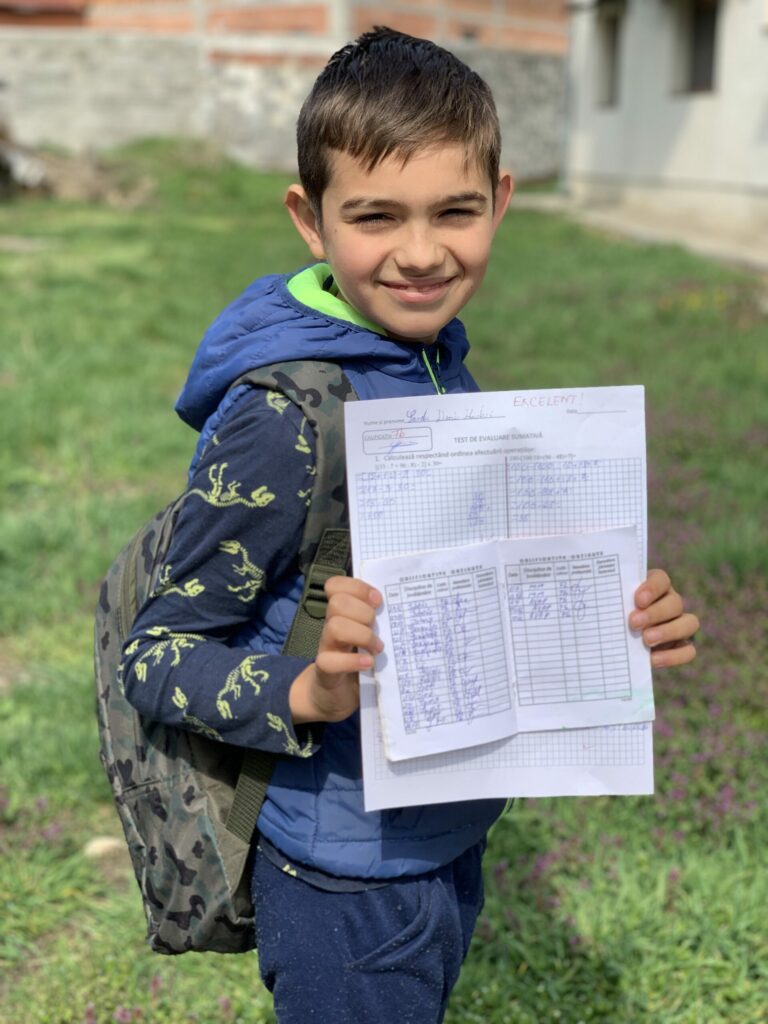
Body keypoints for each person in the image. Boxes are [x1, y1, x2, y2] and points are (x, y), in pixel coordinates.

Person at [121, 27, 700, 1023]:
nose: (423, 252)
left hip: (446, 841)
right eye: (376, 215)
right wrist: (305, 688)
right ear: (310, 219)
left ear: (501, 201)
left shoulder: (430, 359)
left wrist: (616, 619)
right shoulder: (284, 418)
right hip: (341, 878)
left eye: (455, 211)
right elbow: (158, 654)